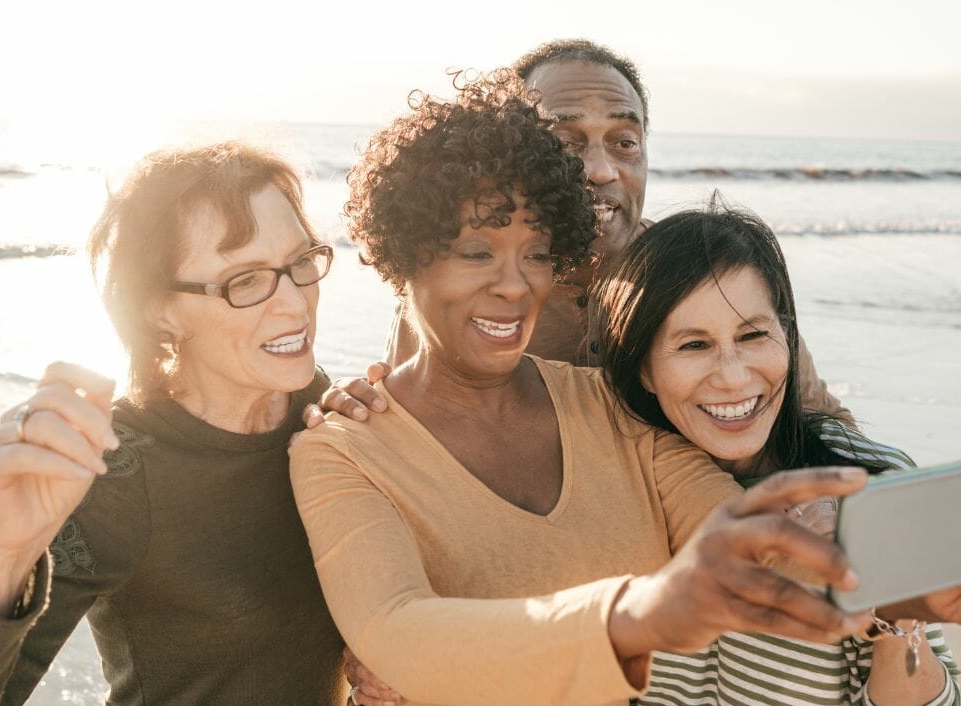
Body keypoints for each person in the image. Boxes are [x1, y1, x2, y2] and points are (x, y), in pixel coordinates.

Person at [290, 70, 879, 706]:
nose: (514, 286)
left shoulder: (609, 402)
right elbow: (396, 633)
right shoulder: (341, 447)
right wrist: (634, 616)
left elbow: (754, 547)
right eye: (476, 251)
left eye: (537, 253)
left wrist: (944, 581)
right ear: (404, 254)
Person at [0, 142, 352, 706]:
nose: (296, 304)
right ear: (159, 310)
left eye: (302, 262)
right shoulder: (115, 471)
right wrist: (3, 550)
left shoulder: (321, 404)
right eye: (245, 281)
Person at [341, 40, 851, 426]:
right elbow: (407, 426)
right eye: (566, 140)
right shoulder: (467, 298)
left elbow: (824, 426)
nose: (602, 169)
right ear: (518, 154)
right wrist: (349, 408)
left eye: (625, 142)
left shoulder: (708, 272)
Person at [591, 203, 961, 706]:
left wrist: (891, 604)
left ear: (787, 337)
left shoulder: (868, 481)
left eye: (752, 336)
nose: (733, 377)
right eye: (694, 344)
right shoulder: (616, 488)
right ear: (644, 370)